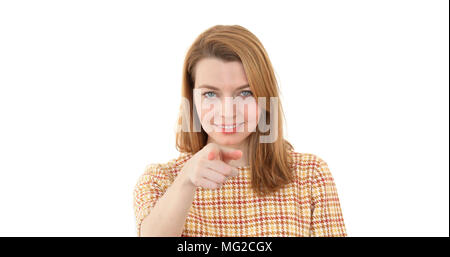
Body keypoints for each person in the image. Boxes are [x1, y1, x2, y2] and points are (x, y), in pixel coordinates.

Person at [133, 25, 347, 237]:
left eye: (245, 93)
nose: (228, 112)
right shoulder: (160, 180)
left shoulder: (309, 176)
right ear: (192, 98)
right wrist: (186, 180)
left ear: (265, 96)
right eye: (210, 94)